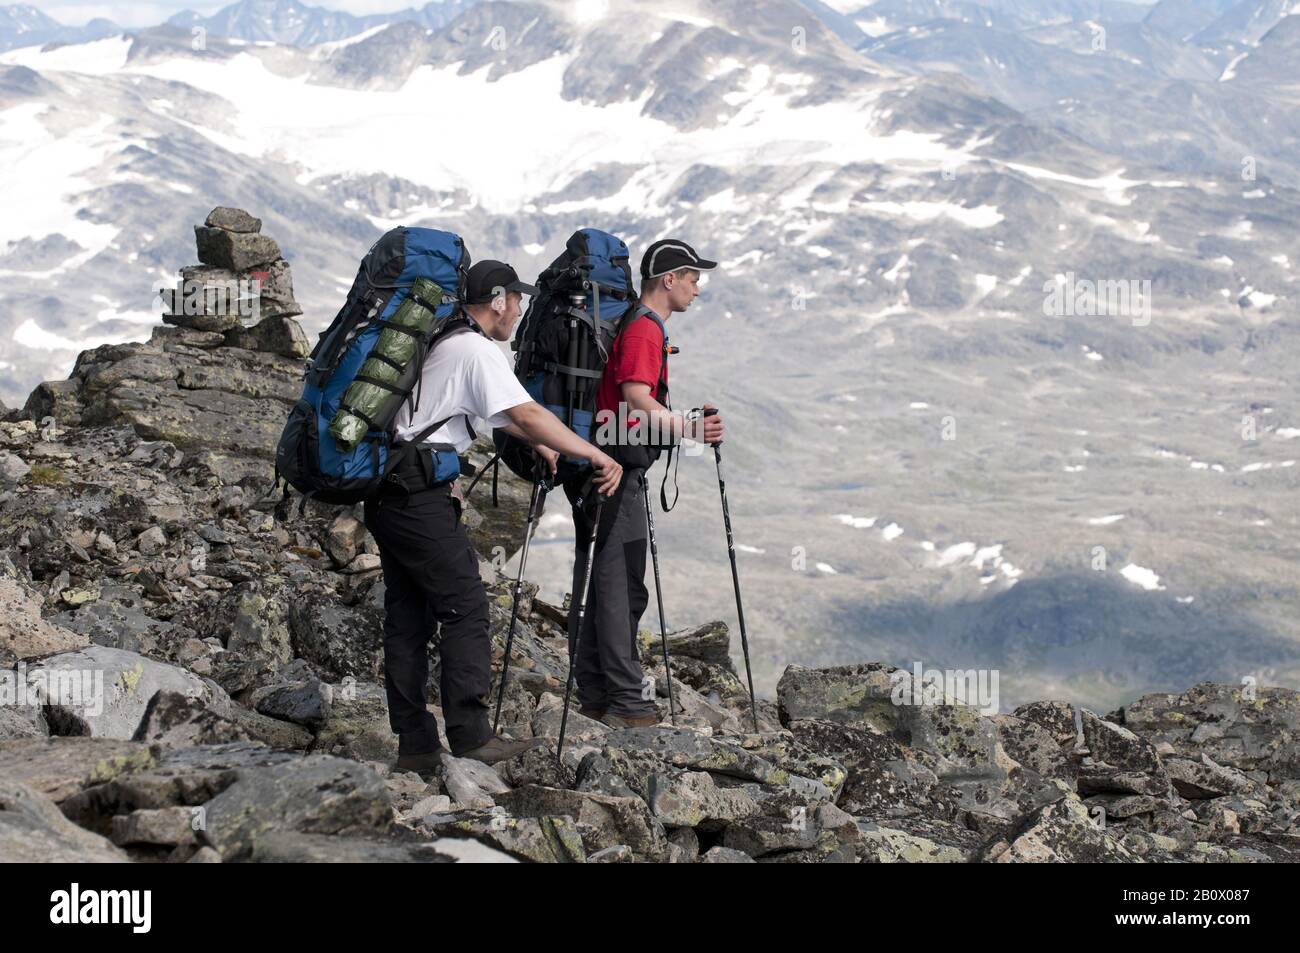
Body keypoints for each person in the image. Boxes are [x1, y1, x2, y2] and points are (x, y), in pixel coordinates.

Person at [364, 259, 623, 771]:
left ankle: (415, 745)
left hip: (389, 490)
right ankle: (471, 734)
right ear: (499, 299)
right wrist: (594, 455)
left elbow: (506, 415)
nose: (520, 310)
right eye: (517, 299)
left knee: (409, 618)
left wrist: (544, 444)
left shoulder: (445, 339)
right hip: (419, 495)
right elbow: (527, 412)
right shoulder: (475, 349)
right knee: (466, 606)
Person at [562, 239, 725, 728]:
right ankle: (627, 703)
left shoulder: (640, 325)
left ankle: (595, 693)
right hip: (614, 469)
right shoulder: (644, 329)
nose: (698, 289)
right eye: (694, 279)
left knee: (613, 579)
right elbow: (635, 398)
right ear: (669, 279)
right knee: (620, 585)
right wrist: (690, 428)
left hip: (607, 464)